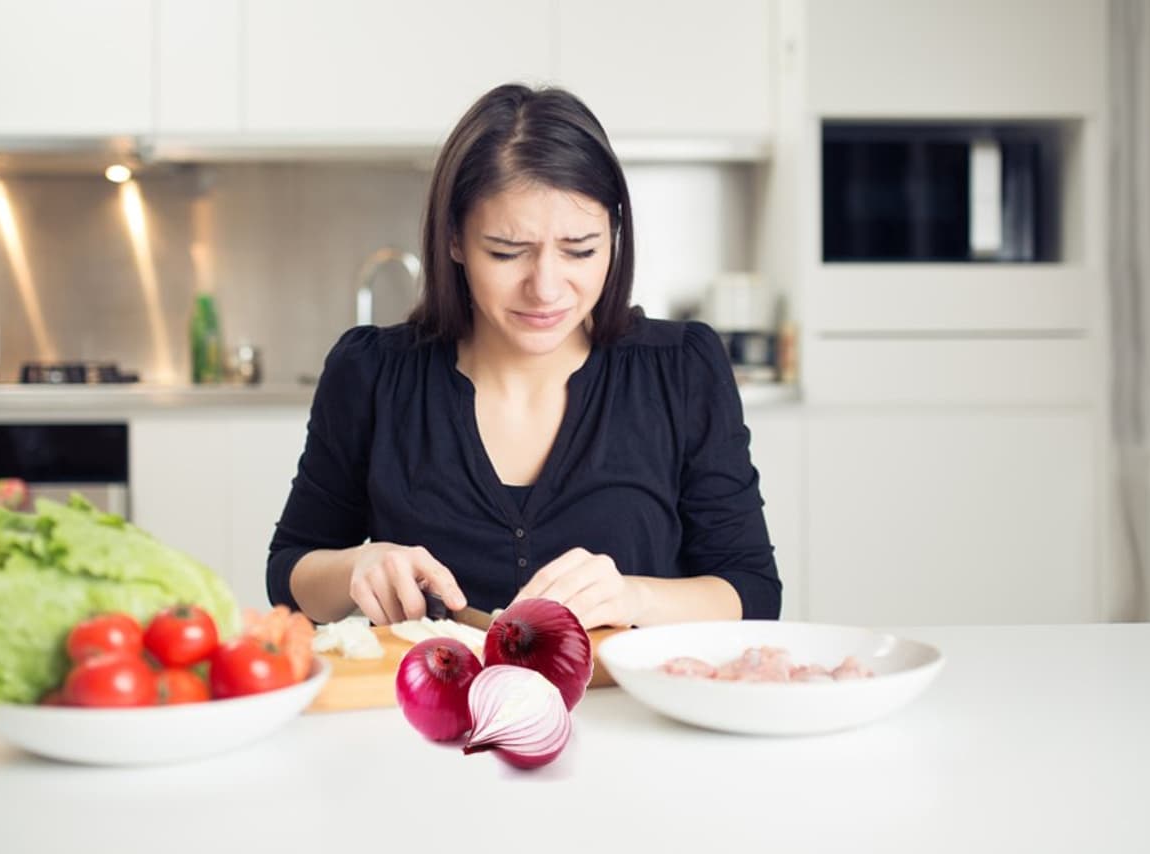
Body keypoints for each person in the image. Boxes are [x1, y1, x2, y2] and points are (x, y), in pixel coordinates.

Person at [267, 83, 780, 630]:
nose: (546, 288)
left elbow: (751, 590)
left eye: (580, 250)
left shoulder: (680, 369)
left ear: (613, 236)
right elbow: (290, 575)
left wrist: (634, 598)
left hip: (623, 690)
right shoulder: (370, 374)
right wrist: (357, 566)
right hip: (431, 690)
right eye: (507, 253)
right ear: (454, 239)